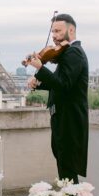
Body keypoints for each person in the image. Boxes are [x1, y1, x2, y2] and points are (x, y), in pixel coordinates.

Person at [25, 13, 88, 183]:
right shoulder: (66, 53)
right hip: (64, 118)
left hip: (69, 120)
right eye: (52, 31)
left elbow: (63, 85)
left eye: (58, 31)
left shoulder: (73, 53)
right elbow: (60, 83)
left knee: (67, 171)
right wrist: (38, 83)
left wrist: (40, 68)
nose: (54, 36)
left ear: (71, 30)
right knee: (64, 168)